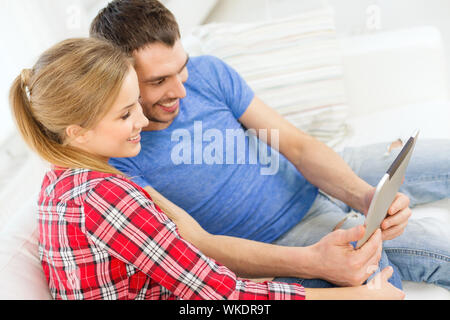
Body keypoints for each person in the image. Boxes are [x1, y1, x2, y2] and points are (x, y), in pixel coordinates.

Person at [90, 0, 450, 290]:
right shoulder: (118, 156)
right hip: (286, 236)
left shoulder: (207, 73)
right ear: (118, 80)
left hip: (314, 176)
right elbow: (198, 245)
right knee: (414, 265)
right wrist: (313, 259)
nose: (182, 90)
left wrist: (363, 196)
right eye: (159, 81)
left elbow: (295, 145)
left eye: (181, 68)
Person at [10, 37, 404, 300]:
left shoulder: (64, 181)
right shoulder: (106, 197)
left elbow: (191, 263)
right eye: (126, 114)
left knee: (363, 261)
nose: (143, 122)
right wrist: (356, 297)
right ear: (77, 132)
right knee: (369, 272)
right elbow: (222, 295)